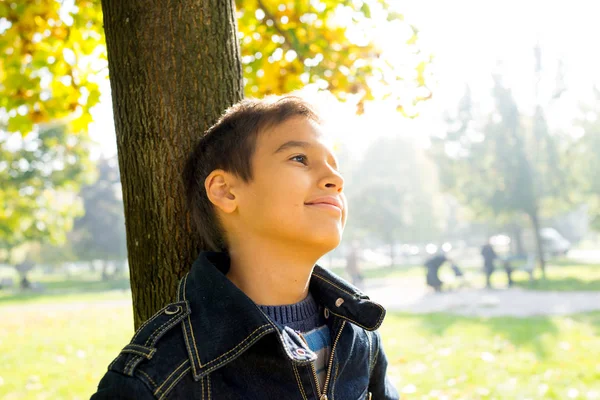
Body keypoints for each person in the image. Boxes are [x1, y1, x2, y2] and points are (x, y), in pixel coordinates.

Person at [91, 96, 398, 399]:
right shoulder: (156, 375)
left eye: (334, 164)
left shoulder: (359, 333)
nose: (336, 178)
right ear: (225, 191)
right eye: (299, 158)